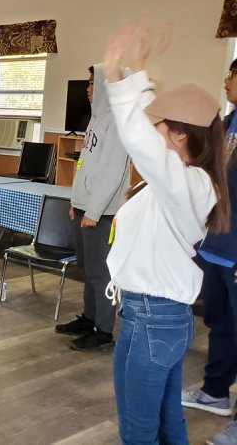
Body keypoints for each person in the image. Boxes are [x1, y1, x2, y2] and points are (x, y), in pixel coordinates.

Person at [102, 22, 230, 444]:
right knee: (166, 419)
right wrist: (137, 73)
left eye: (159, 124)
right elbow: (151, 137)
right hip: (152, 316)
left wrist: (115, 78)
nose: (150, 128)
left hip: (153, 319)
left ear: (179, 134)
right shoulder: (185, 181)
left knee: (138, 429)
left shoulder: (189, 185)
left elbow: (144, 145)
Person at [180, 58, 237, 445]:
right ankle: (216, 391)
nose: (226, 80)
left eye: (232, 74)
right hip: (215, 245)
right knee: (220, 324)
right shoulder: (226, 124)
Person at [56, 64, 131, 351]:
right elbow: (86, 165)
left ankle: (103, 330)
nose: (88, 89)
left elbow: (112, 173)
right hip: (86, 208)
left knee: (101, 273)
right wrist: (77, 202)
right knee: (88, 269)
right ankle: (90, 319)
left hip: (103, 213)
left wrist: (94, 211)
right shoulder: (97, 119)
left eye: (92, 83)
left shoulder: (118, 122)